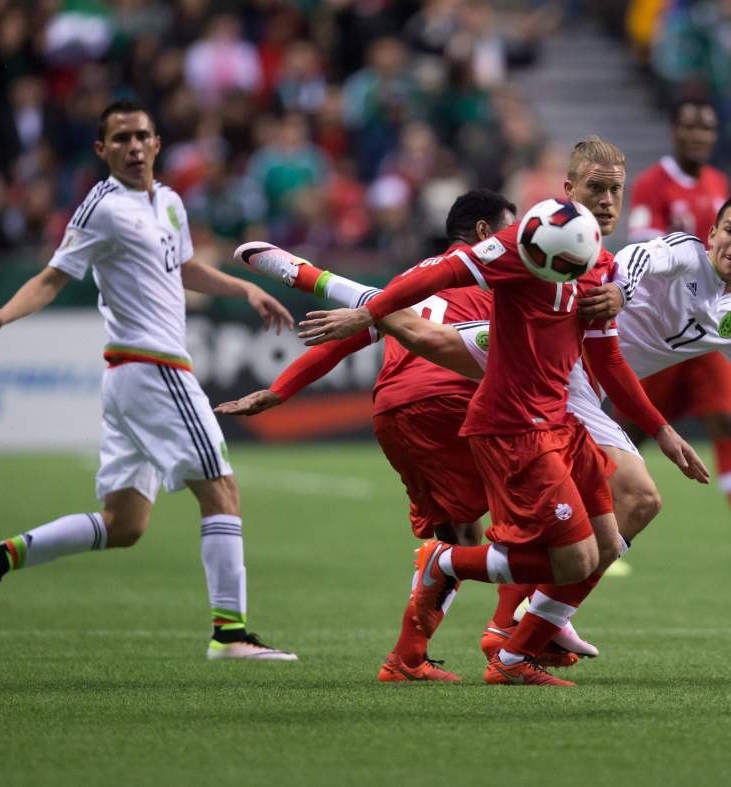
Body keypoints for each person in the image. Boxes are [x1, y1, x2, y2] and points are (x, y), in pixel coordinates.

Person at [279, 193, 731, 567]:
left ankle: (521, 618)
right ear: (712, 233)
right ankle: (319, 280)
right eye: (730, 231)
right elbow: (630, 261)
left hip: (572, 380)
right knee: (425, 335)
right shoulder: (677, 252)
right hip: (557, 361)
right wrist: (612, 295)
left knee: (595, 535)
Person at [299, 137, 709, 686]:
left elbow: (608, 359)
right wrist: (368, 313)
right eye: (597, 189)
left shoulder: (602, 264)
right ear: (569, 189)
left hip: (560, 419)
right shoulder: (523, 242)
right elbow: (438, 274)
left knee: (613, 536)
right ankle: (458, 581)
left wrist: (661, 430)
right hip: (514, 425)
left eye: (617, 189)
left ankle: (516, 648)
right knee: (573, 559)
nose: (610, 201)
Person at [0, 100, 298, 661]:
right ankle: (230, 634)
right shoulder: (103, 208)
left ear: (158, 142)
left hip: (129, 378)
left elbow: (183, 266)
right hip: (153, 368)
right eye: (120, 139)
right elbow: (52, 277)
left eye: (141, 136)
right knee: (221, 490)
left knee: (124, 524)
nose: (134, 147)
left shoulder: (168, 202)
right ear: (102, 150)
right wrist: (1, 316)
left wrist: (244, 288)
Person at [225, 190, 592, 681]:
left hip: (393, 413)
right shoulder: (503, 274)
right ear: (486, 234)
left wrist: (280, 389)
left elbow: (352, 334)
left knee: (460, 533)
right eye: (511, 230)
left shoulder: (409, 280)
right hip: (454, 405)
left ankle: (407, 657)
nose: (519, 240)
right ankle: (517, 636)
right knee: (546, 529)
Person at [626, 97, 731, 573]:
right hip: (666, 329)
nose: (699, 137)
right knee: (633, 429)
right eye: (690, 128)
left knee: (728, 423)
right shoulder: (651, 183)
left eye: (706, 129)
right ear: (675, 132)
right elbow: (644, 245)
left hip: (710, 335)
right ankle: (603, 530)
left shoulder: (719, 183)